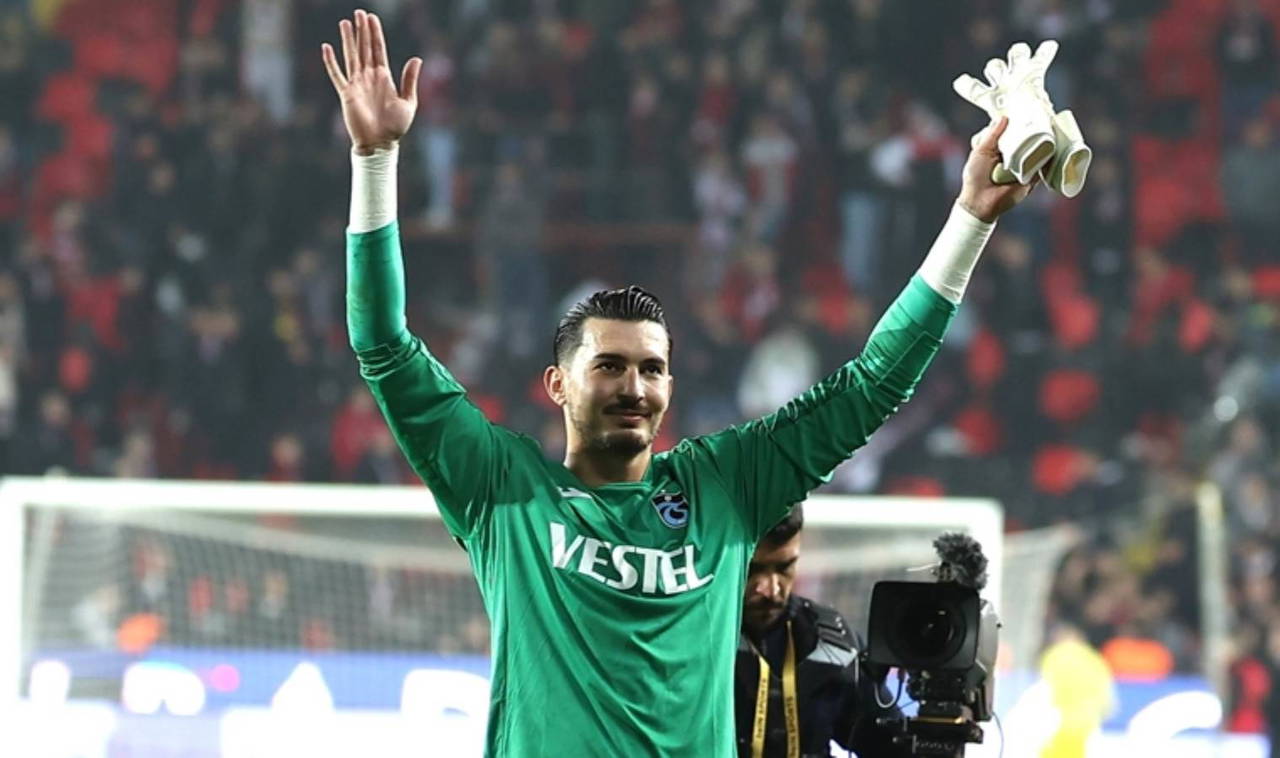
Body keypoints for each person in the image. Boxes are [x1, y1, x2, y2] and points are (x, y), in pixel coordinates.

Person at [321, 10, 1035, 756]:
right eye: (610, 365)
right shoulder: (503, 487)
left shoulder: (723, 487)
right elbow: (383, 345)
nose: (635, 386)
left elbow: (872, 384)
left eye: (652, 368)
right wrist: (375, 159)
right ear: (557, 385)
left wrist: (971, 218)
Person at [736, 504, 907, 757]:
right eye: (753, 570)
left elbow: (892, 747)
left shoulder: (834, 643)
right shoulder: (688, 639)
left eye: (784, 568)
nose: (771, 590)